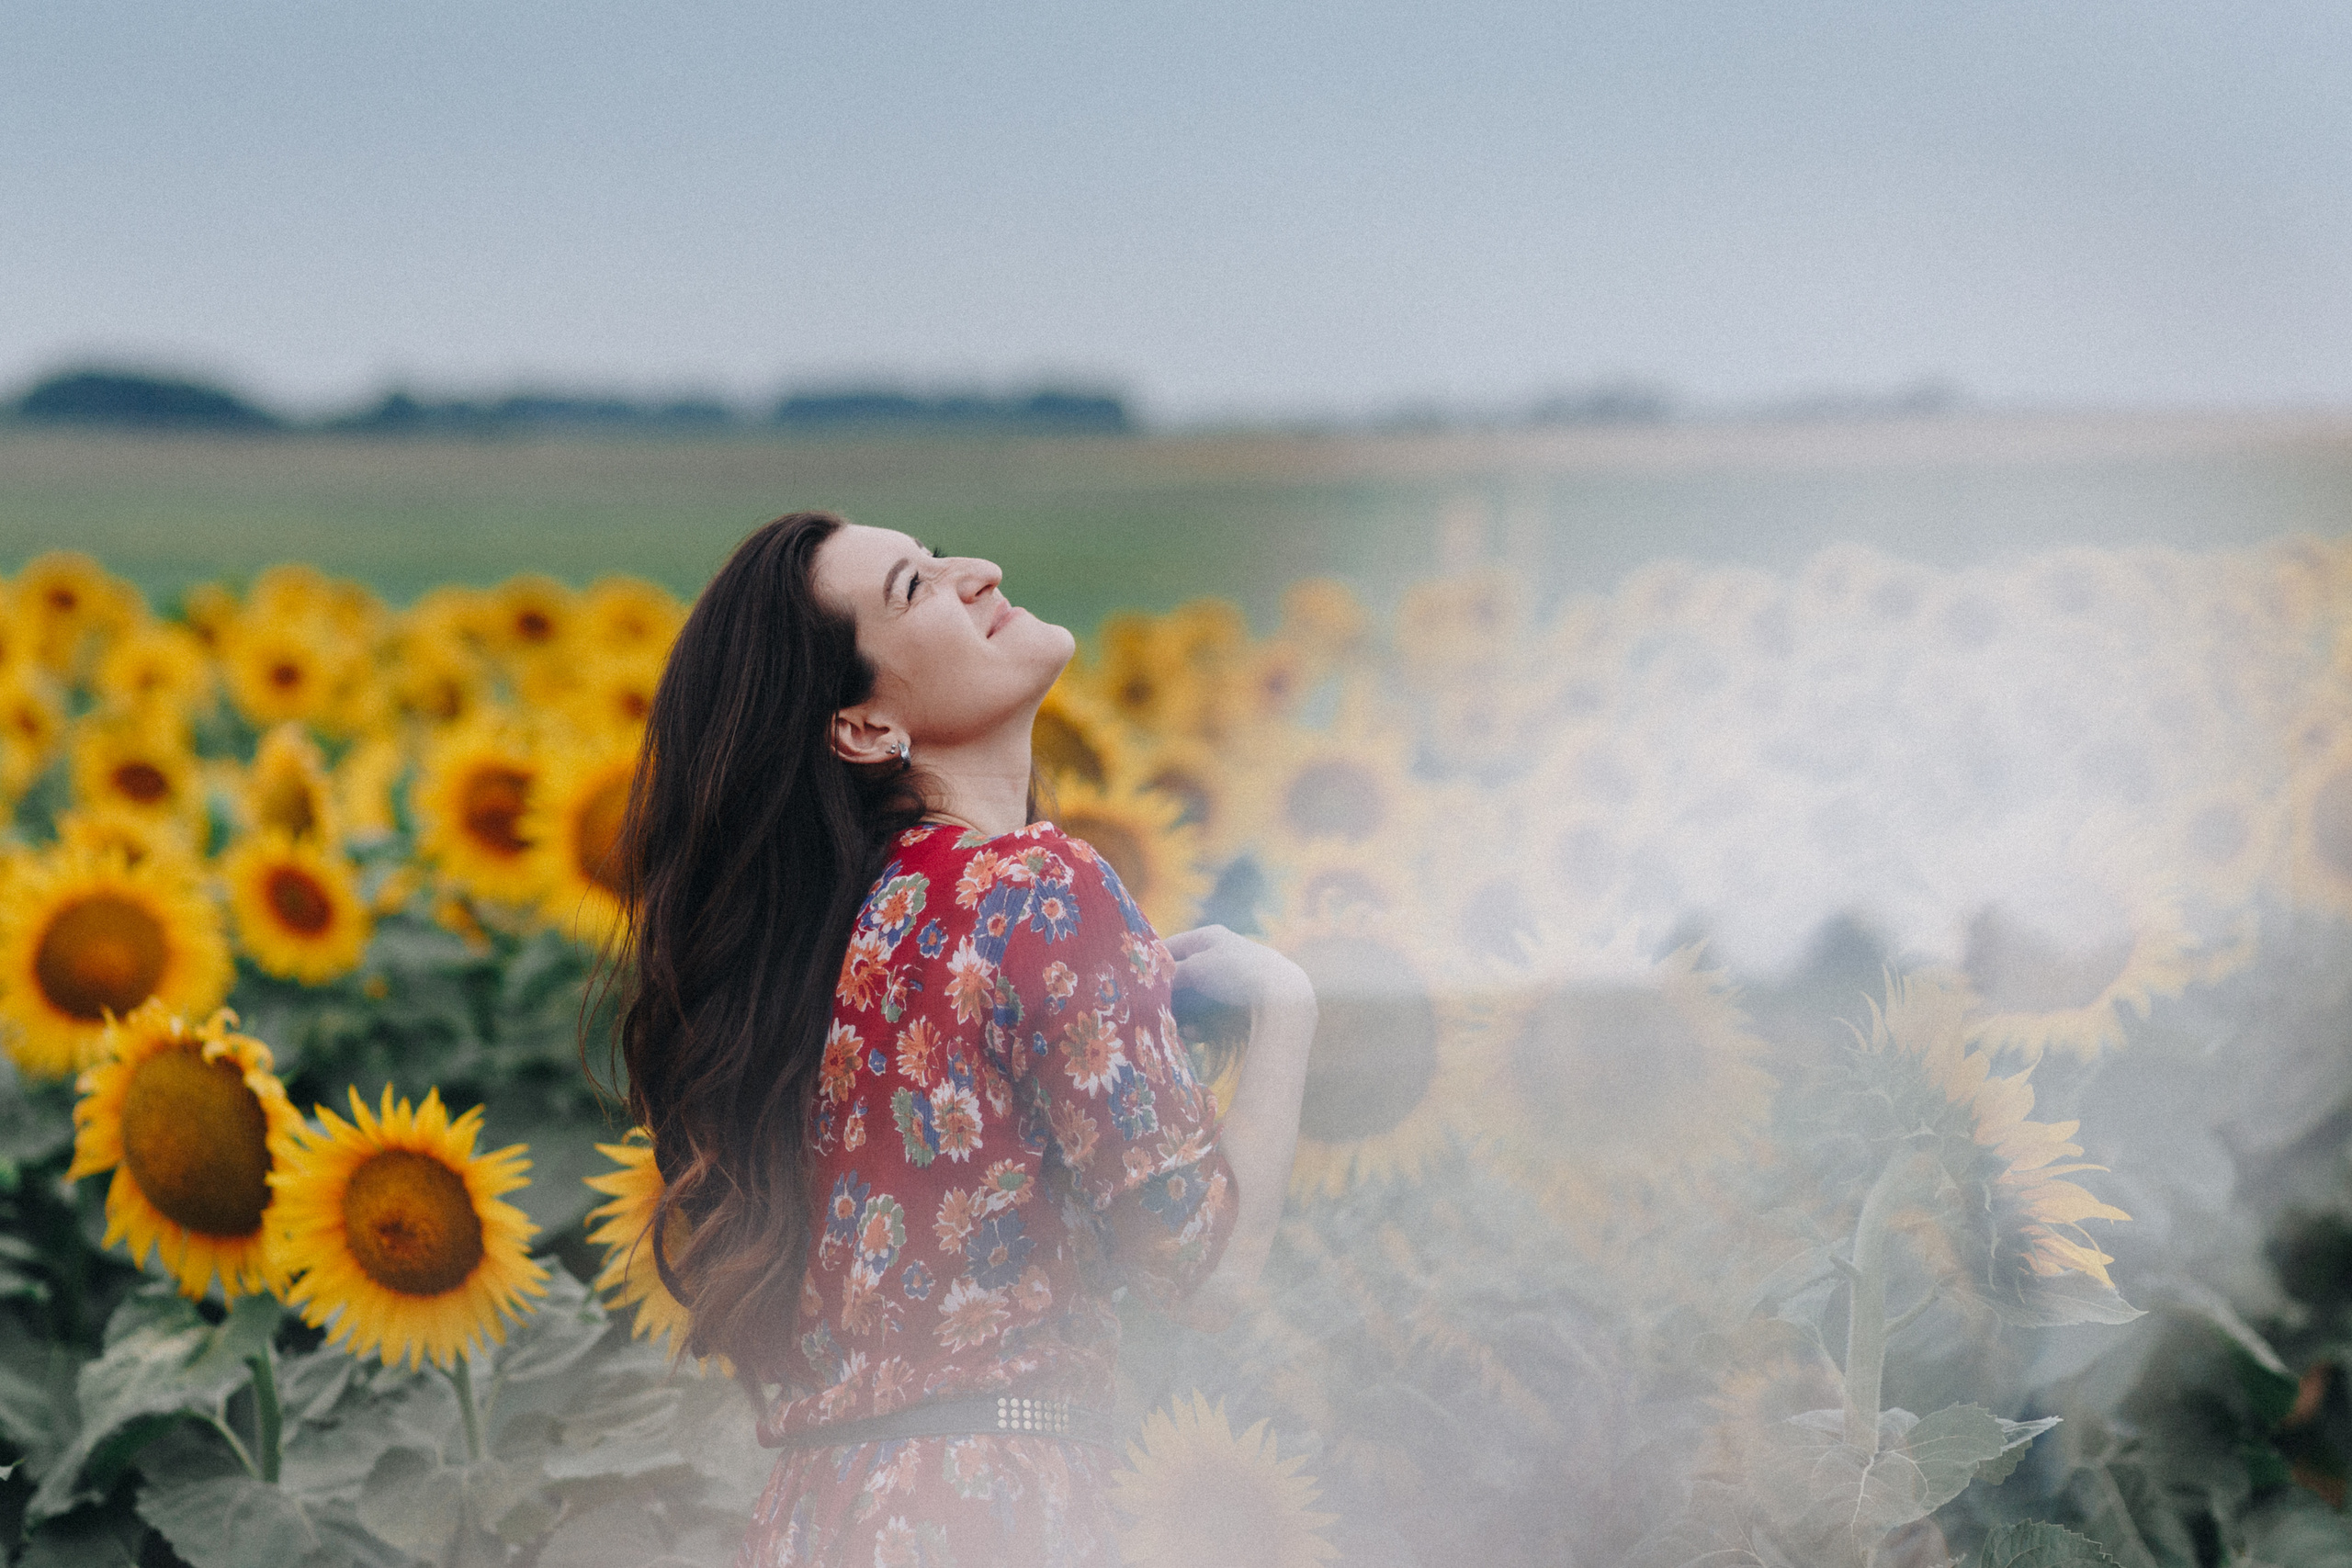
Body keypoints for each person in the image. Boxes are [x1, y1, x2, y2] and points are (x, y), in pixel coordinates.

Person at [613, 511, 1317, 1566]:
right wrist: (1283, 1008)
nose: (977, 574)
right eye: (914, 588)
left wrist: (1116, 1000)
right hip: (990, 1513)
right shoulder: (1039, 889)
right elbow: (1204, 1273)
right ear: (862, 728)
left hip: (819, 1520)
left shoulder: (859, 936)